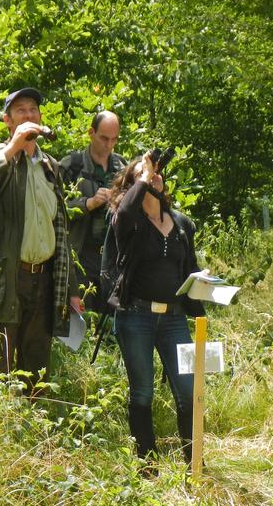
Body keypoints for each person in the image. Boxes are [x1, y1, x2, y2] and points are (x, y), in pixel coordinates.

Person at [0, 87, 82, 396]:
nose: (29, 115)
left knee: (37, 373)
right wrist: (12, 148)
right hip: (5, 280)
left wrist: (72, 290)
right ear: (8, 121)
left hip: (44, 283)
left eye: (33, 110)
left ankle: (37, 440)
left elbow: (60, 232)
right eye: (21, 111)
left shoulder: (49, 167)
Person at [107, 151, 205, 469]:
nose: (153, 177)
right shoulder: (129, 223)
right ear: (133, 186)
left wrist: (208, 292)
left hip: (175, 319)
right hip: (136, 317)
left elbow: (191, 271)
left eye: (156, 173)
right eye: (144, 174)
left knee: (189, 392)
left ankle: (195, 463)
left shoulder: (181, 225)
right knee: (143, 393)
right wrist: (144, 176)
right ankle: (147, 465)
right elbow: (122, 213)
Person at [60, 111, 126, 312]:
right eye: (104, 138)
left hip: (112, 261)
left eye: (114, 139)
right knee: (81, 323)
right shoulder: (72, 165)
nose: (109, 145)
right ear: (91, 132)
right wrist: (88, 203)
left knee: (109, 330)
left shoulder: (122, 167)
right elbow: (53, 210)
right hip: (79, 260)